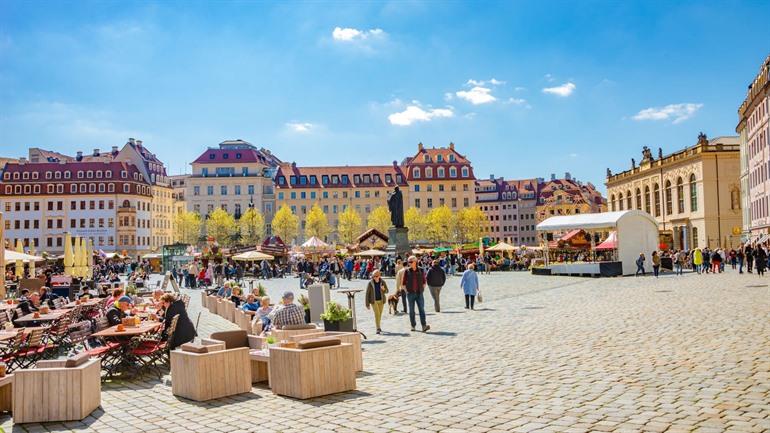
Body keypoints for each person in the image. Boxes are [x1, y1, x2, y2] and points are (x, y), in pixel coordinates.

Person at [403, 256, 430, 332]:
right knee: (411, 310)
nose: (409, 263)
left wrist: (422, 289)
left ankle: (424, 325)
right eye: (408, 262)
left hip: (419, 293)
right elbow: (403, 283)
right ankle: (413, 325)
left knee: (421, 309)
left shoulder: (421, 270)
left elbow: (424, 281)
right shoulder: (407, 271)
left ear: (415, 262)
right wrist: (407, 292)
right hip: (410, 293)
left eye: (411, 262)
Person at [365, 270, 388, 334]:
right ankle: (378, 328)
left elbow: (387, 291)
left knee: (379, 315)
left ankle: (379, 325)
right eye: (374, 276)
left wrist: (384, 289)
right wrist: (367, 304)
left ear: (379, 276)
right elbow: (367, 294)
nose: (375, 277)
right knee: (377, 314)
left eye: (376, 276)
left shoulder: (383, 282)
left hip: (381, 300)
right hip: (373, 301)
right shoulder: (370, 283)